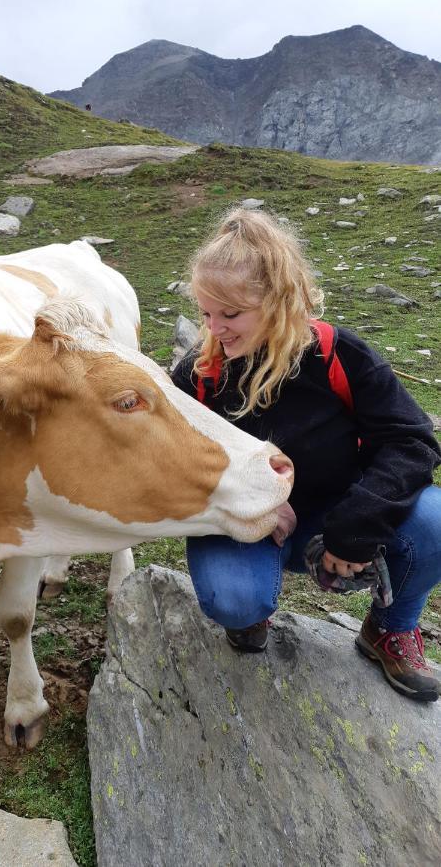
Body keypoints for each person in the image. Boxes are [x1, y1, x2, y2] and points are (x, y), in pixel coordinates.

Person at [172, 207, 441, 702]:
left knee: (434, 522)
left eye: (231, 314)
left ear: (278, 301)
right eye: (206, 312)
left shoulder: (335, 353)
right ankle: (251, 611)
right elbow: (168, 466)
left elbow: (412, 440)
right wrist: (249, 505)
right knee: (234, 600)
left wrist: (356, 527)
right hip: (242, 521)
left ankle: (390, 627)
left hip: (335, 511)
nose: (215, 328)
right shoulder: (198, 375)